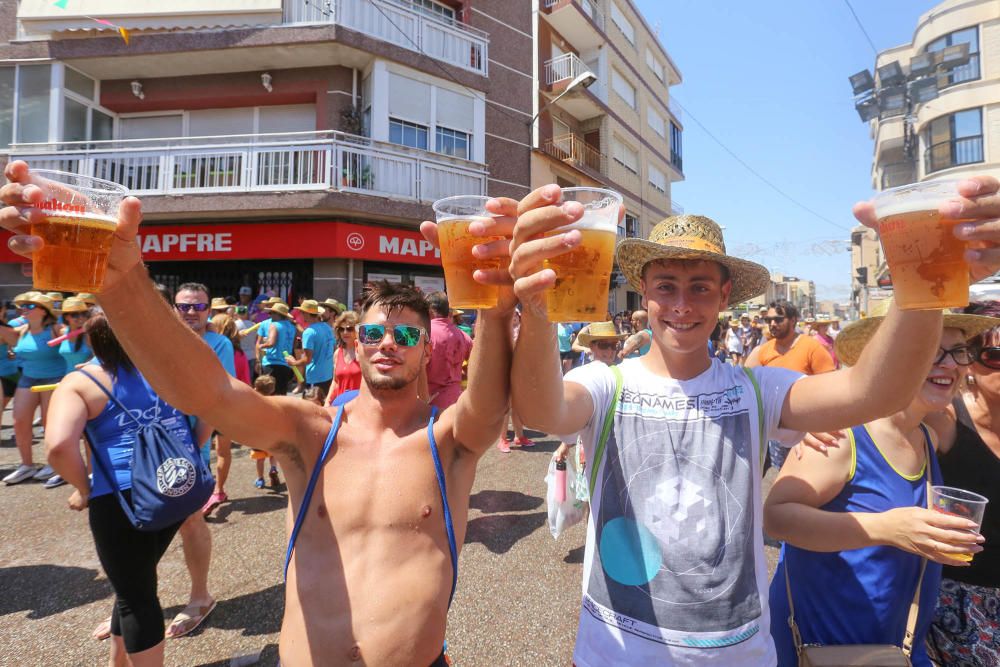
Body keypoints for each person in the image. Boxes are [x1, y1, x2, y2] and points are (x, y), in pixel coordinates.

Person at [0, 162, 525, 664]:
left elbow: (487, 403)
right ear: (355, 345)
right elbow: (211, 395)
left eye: (406, 334)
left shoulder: (447, 442)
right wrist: (120, 280)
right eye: (373, 332)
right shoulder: (311, 432)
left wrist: (498, 307)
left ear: (426, 350)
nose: (389, 343)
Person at [506, 178, 1000, 666]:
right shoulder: (604, 384)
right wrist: (534, 305)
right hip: (612, 655)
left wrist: (928, 282)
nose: (681, 304)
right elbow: (541, 412)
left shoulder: (755, 389)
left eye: (699, 288)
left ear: (724, 297)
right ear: (643, 292)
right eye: (666, 287)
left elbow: (874, 392)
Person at [765, 312, 997, 667]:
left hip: (895, 651)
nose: (949, 364)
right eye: (932, 351)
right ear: (892, 353)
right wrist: (887, 529)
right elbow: (777, 518)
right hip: (820, 648)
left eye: (957, 351)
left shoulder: (927, 437)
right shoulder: (843, 435)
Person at [45, 314, 211, 667]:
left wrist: (85, 488)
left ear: (93, 340)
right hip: (177, 486)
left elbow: (59, 447)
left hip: (123, 500)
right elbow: (208, 411)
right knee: (130, 584)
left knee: (138, 596)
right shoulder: (168, 370)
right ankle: (118, 661)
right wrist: (191, 455)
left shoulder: (80, 382)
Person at [924, 301, 1000, 665]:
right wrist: (832, 428)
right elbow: (884, 407)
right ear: (972, 361)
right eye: (996, 355)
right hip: (963, 601)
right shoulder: (947, 416)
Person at [167, 281, 235, 638]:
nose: (192, 312)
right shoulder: (158, 338)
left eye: (198, 306)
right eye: (184, 306)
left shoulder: (218, 344)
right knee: (139, 523)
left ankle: (199, 597)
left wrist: (195, 449)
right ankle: (129, 604)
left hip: (188, 443)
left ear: (209, 309)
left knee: (191, 520)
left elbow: (215, 399)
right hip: (150, 445)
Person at [745, 300, 836, 471]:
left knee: (803, 480)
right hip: (773, 430)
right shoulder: (763, 351)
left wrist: (809, 427)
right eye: (769, 320)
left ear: (793, 320)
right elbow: (745, 388)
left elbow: (829, 390)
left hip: (806, 429)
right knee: (780, 476)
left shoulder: (812, 347)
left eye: (778, 319)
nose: (772, 324)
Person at [1, 292, 65, 484]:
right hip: (28, 379)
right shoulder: (21, 330)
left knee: (48, 424)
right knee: (19, 420)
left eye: (29, 306)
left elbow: (75, 340)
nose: (23, 310)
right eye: (22, 307)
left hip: (53, 379)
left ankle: (55, 465)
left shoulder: (56, 329)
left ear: (43, 311)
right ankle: (26, 465)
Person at [553, 320, 625, 466]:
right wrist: (565, 445)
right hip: (590, 449)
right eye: (604, 345)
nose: (610, 351)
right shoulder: (580, 376)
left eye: (613, 346)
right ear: (592, 346)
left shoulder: (625, 374)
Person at [425, 291, 473, 410]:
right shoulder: (463, 336)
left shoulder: (425, 334)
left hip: (429, 399)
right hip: (455, 400)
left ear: (430, 311)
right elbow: (474, 368)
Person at [286, 300, 335, 397]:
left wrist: (293, 363)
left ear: (307, 314)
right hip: (328, 375)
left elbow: (307, 359)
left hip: (315, 377)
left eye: (302, 312)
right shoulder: (328, 328)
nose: (301, 315)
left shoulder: (309, 332)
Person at [249, 374, 281, 490]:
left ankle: (260, 479)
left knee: (260, 459)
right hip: (271, 435)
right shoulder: (273, 402)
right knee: (272, 454)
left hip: (258, 437)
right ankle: (273, 468)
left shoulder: (253, 402)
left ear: (256, 388)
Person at [258, 301, 296, 396]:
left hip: (272, 363)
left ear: (277, 314)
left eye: (271, 313)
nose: (270, 315)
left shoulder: (274, 325)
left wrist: (261, 346)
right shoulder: (292, 327)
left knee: (268, 395)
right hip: (286, 364)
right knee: (281, 395)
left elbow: (271, 343)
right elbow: (295, 344)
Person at [326, 309, 362, 404]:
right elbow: (335, 381)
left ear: (357, 330)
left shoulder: (364, 352)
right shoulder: (338, 353)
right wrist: (327, 401)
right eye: (341, 329)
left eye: (349, 329)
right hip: (340, 404)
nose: (345, 332)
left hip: (359, 405)